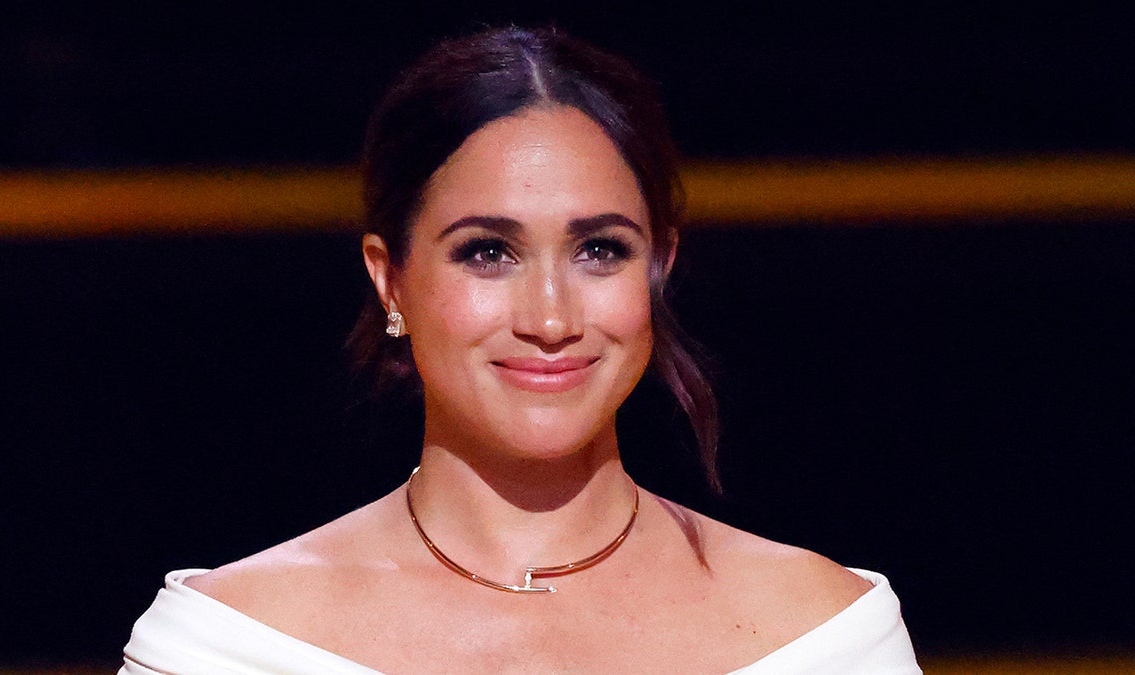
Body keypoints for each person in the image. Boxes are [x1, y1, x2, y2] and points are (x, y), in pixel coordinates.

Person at [120, 26, 920, 674]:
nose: (549, 317)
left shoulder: (824, 638)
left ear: (660, 268)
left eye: (599, 250)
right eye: (487, 252)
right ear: (389, 278)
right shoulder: (228, 647)